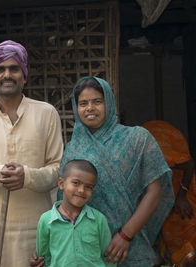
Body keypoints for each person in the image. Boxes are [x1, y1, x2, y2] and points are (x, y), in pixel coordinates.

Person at [31, 76, 174, 267]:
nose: (90, 108)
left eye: (97, 101)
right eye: (83, 103)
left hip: (131, 243)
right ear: (76, 108)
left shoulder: (137, 139)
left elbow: (155, 191)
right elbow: (65, 204)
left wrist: (126, 234)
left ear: (109, 103)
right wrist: (51, 252)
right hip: (85, 250)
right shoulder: (73, 149)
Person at [0, 40, 63, 267]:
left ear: (24, 76)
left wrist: (27, 176)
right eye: (0, 69)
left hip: (36, 227)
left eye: (14, 69)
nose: (7, 74)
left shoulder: (46, 114)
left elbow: (58, 170)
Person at [143, 120, 196, 267]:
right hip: (148, 194)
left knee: (182, 226)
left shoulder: (166, 156)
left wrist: (182, 196)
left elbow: (189, 165)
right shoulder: (138, 158)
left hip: (178, 184)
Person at [36, 159, 116, 267]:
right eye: (76, 183)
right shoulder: (46, 220)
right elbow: (44, 258)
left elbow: (109, 258)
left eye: (88, 187)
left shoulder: (99, 220)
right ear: (61, 184)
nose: (81, 190)